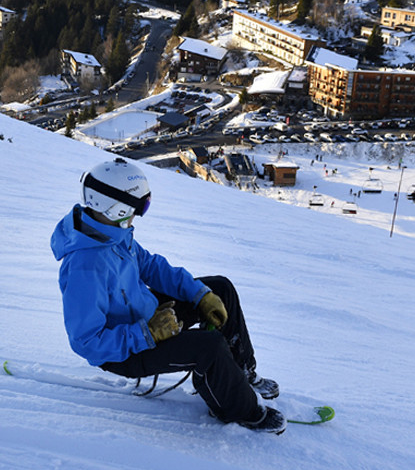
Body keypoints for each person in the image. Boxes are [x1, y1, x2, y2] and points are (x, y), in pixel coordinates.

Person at [50, 157, 285, 434]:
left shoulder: (111, 233)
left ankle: (241, 371)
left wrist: (199, 295)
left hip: (147, 318)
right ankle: (241, 411)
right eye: (139, 207)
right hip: (124, 351)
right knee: (208, 347)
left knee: (219, 288)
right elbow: (86, 342)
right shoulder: (84, 266)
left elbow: (151, 267)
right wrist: (147, 333)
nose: (139, 214)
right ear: (116, 207)